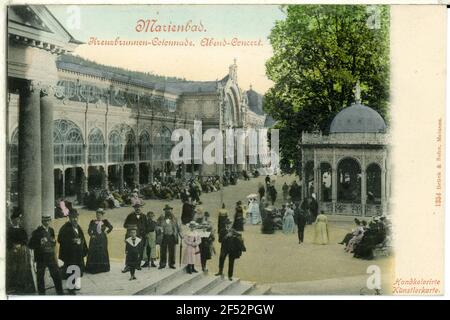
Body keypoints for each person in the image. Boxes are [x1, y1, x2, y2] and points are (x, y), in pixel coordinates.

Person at [29, 215, 64, 295]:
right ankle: (42, 295)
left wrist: (53, 242)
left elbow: (54, 242)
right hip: (41, 258)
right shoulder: (37, 232)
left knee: (56, 274)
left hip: (51, 256)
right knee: (40, 277)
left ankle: (60, 293)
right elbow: (30, 245)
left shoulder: (51, 230)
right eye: (45, 220)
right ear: (42, 221)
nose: (47, 222)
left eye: (48, 220)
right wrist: (39, 242)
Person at [58, 209, 88, 291]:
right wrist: (71, 241)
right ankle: (70, 286)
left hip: (78, 253)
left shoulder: (78, 227)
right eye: (73, 217)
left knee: (78, 268)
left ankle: (77, 285)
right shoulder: (65, 228)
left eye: (76, 217)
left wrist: (84, 249)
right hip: (70, 254)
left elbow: (83, 239)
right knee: (71, 269)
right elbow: (60, 239)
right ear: (69, 218)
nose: (75, 219)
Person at [6, 208, 35, 294]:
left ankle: (23, 286)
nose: (17, 221)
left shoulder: (22, 229)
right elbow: (8, 240)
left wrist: (21, 244)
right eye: (16, 219)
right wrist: (13, 246)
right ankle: (14, 286)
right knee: (14, 267)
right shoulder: (10, 230)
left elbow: (25, 239)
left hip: (22, 251)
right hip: (12, 251)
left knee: (23, 268)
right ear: (13, 220)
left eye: (19, 219)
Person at [85, 208, 113, 274]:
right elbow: (89, 231)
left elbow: (111, 227)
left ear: (102, 215)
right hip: (94, 239)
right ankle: (94, 269)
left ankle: (103, 268)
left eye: (100, 215)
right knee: (94, 252)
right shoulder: (92, 222)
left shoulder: (105, 221)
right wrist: (92, 235)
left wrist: (107, 232)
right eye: (97, 214)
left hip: (102, 239)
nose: (98, 216)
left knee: (102, 252)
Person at [123, 203, 148, 268]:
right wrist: (133, 227)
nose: (138, 209)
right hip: (131, 236)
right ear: (134, 208)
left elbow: (147, 226)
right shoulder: (130, 216)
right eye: (136, 207)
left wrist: (144, 232)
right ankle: (128, 265)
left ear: (141, 208)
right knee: (129, 251)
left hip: (141, 236)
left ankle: (137, 265)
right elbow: (125, 225)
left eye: (139, 207)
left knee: (140, 251)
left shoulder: (144, 216)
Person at [158, 205, 179, 269]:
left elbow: (178, 227)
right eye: (167, 210)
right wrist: (159, 229)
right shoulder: (161, 218)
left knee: (172, 251)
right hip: (164, 236)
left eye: (169, 210)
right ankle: (162, 264)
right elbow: (157, 225)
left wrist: (180, 234)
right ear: (165, 211)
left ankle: (171, 264)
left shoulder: (174, 218)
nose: (168, 211)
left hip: (172, 236)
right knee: (163, 251)